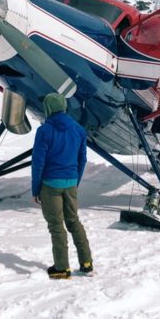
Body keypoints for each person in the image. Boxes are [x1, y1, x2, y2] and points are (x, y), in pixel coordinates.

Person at [31, 93, 93, 280]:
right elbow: (82, 159)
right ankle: (87, 263)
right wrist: (75, 180)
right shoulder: (79, 130)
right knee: (74, 221)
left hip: (50, 184)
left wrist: (36, 190)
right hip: (71, 182)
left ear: (48, 108)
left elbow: (38, 162)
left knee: (57, 225)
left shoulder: (44, 131)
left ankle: (62, 267)